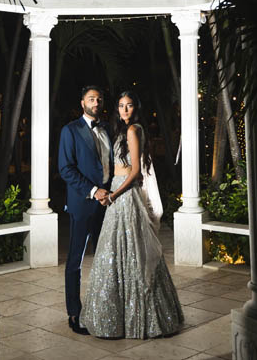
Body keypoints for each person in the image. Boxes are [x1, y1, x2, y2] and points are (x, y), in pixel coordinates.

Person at [80, 91, 184, 339]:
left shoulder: (132, 130)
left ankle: (136, 318)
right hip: (118, 188)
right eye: (120, 106)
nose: (124, 110)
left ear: (136, 107)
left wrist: (114, 194)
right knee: (119, 251)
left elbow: (136, 171)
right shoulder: (129, 129)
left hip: (124, 194)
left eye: (128, 106)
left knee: (128, 251)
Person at [57, 85, 113, 335]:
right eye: (91, 99)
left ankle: (104, 307)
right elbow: (66, 168)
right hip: (84, 203)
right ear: (82, 103)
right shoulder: (70, 130)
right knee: (75, 261)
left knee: (105, 258)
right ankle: (74, 312)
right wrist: (94, 191)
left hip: (108, 203)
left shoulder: (109, 129)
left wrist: (111, 192)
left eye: (99, 99)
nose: (96, 102)